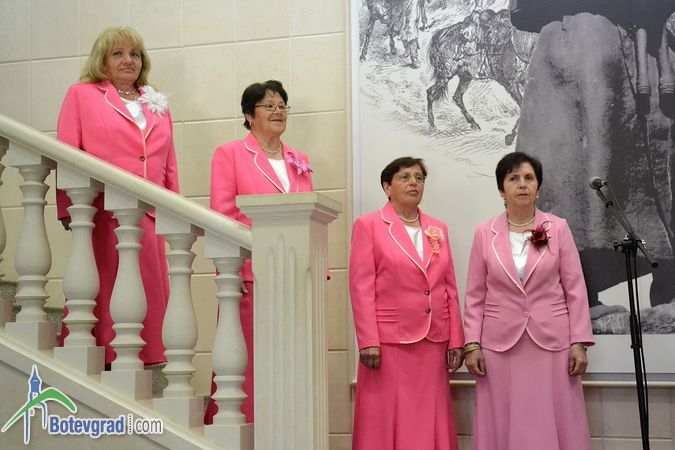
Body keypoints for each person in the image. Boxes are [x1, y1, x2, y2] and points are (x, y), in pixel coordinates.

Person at [56, 27, 178, 367]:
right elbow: (66, 153)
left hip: (150, 216)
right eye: (118, 53)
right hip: (104, 215)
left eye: (135, 54)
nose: (129, 60)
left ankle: (146, 360)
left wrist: (175, 212)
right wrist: (67, 208)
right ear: (102, 60)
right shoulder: (81, 95)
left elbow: (169, 164)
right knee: (107, 292)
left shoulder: (156, 103)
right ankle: (108, 360)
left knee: (148, 296)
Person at [463, 152, 594, 450]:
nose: (522, 184)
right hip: (499, 346)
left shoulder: (557, 228)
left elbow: (575, 288)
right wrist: (472, 345)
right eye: (513, 178)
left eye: (529, 178)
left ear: (538, 188)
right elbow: (475, 295)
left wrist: (579, 342)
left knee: (555, 418)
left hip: (553, 343)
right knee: (501, 420)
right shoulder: (484, 232)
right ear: (501, 190)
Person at [205, 80, 313, 424]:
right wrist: (229, 271)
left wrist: (315, 270)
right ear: (249, 116)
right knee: (247, 360)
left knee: (291, 362)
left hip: (294, 277)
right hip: (250, 276)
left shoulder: (298, 159)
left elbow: (310, 218)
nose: (278, 111)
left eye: (282, 105)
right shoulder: (230, 154)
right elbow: (222, 215)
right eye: (269, 106)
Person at [349, 157, 464, 450]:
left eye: (419, 178)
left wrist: (456, 339)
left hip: (433, 342)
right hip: (388, 344)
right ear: (387, 187)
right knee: (385, 416)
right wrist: (368, 341)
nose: (414, 182)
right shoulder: (368, 226)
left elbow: (449, 287)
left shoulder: (438, 228)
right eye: (405, 177)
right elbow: (361, 288)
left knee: (430, 416)